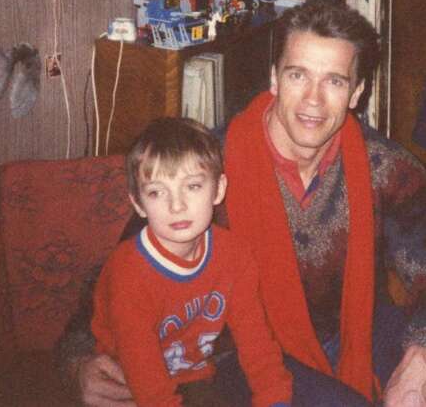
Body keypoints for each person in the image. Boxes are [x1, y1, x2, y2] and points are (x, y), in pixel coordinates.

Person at [57, 0, 426, 406]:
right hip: (241, 354)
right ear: (274, 78)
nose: (312, 100)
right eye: (298, 75)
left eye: (333, 81)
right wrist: (80, 361)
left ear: (357, 93)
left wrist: (424, 360)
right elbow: (120, 272)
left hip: (353, 331)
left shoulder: (385, 168)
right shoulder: (206, 171)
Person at [89, 116, 292, 407]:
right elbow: (149, 388)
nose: (177, 205)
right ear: (138, 203)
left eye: (193, 186)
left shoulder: (234, 255)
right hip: (125, 384)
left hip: (195, 375)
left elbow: (257, 344)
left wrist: (276, 400)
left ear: (218, 190)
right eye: (157, 192)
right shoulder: (129, 274)